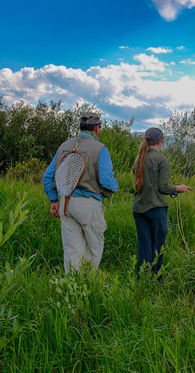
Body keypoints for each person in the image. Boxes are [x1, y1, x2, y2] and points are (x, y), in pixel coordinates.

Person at [42, 111, 119, 273]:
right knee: (94, 249)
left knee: (72, 251)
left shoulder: (64, 146)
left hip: (65, 204)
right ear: (97, 129)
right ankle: (87, 286)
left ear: (80, 126)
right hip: (89, 205)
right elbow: (107, 181)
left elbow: (47, 177)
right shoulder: (100, 149)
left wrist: (54, 200)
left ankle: (71, 289)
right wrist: (116, 185)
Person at [132, 127, 190, 277]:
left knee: (144, 246)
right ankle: (155, 280)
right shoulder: (161, 160)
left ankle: (141, 280)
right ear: (161, 142)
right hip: (156, 209)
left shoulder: (139, 158)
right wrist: (178, 188)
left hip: (138, 209)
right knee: (158, 247)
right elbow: (163, 187)